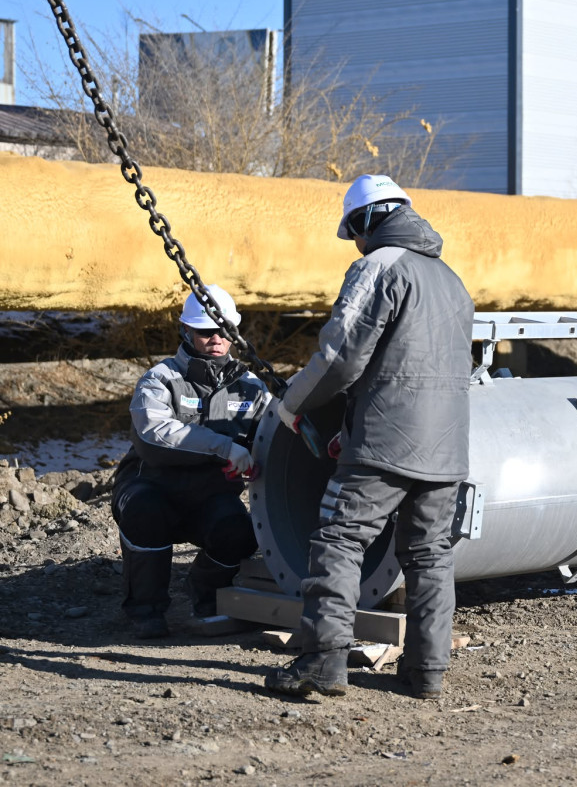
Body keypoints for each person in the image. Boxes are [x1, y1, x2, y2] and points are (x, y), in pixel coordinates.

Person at [264, 174, 474, 700]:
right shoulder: (451, 279)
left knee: (338, 537)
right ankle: (426, 673)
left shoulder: (378, 266)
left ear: (365, 220)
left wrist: (292, 404)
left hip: (385, 442)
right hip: (447, 447)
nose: (354, 243)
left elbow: (341, 358)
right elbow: (413, 366)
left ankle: (322, 661)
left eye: (353, 232)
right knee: (430, 554)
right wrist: (347, 427)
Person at [110, 285, 269, 639]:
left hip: (210, 496)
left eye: (224, 330)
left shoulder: (252, 389)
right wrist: (224, 448)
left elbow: (277, 435)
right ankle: (146, 610)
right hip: (149, 488)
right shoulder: (160, 379)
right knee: (145, 512)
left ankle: (205, 591)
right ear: (186, 331)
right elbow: (154, 432)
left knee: (240, 533)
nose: (216, 338)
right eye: (205, 331)